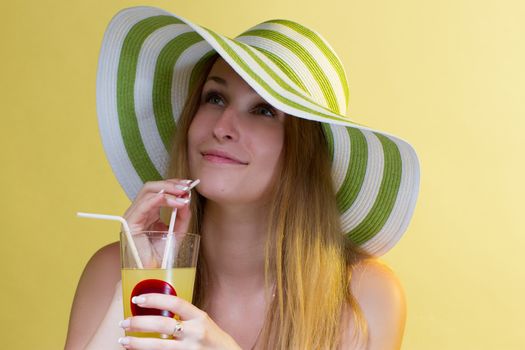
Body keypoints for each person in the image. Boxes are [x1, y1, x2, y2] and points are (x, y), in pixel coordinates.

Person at [65, 6, 420, 350]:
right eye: (215, 98)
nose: (222, 128)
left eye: (264, 110)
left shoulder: (365, 297)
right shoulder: (113, 270)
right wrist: (137, 282)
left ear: (305, 153)